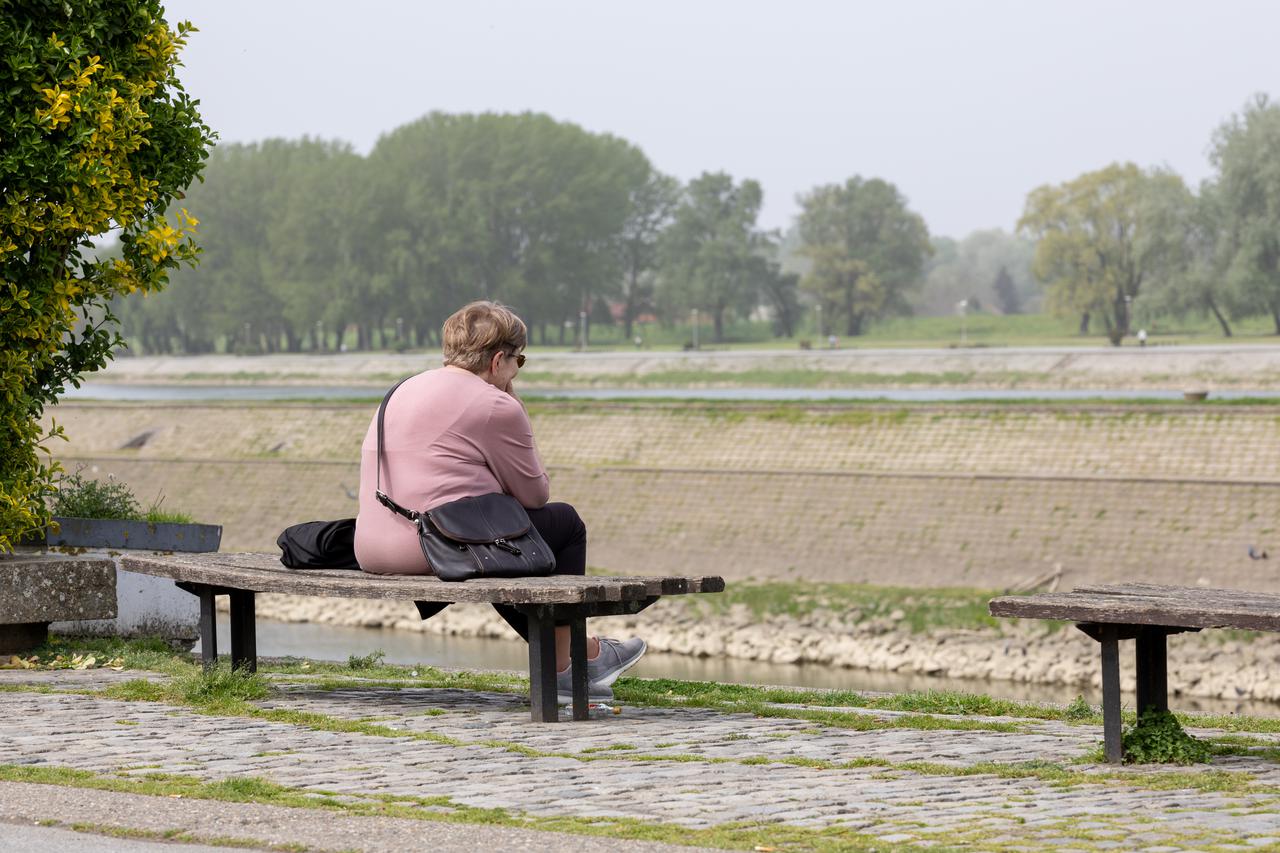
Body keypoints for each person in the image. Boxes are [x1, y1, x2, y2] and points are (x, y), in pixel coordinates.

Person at [354, 301, 645, 705]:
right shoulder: (494, 404)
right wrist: (516, 406)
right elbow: (535, 494)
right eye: (518, 361)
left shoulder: (403, 388)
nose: (517, 371)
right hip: (433, 546)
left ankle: (579, 656)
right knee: (560, 523)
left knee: (500, 546)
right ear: (498, 360)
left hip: (372, 546)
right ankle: (571, 661)